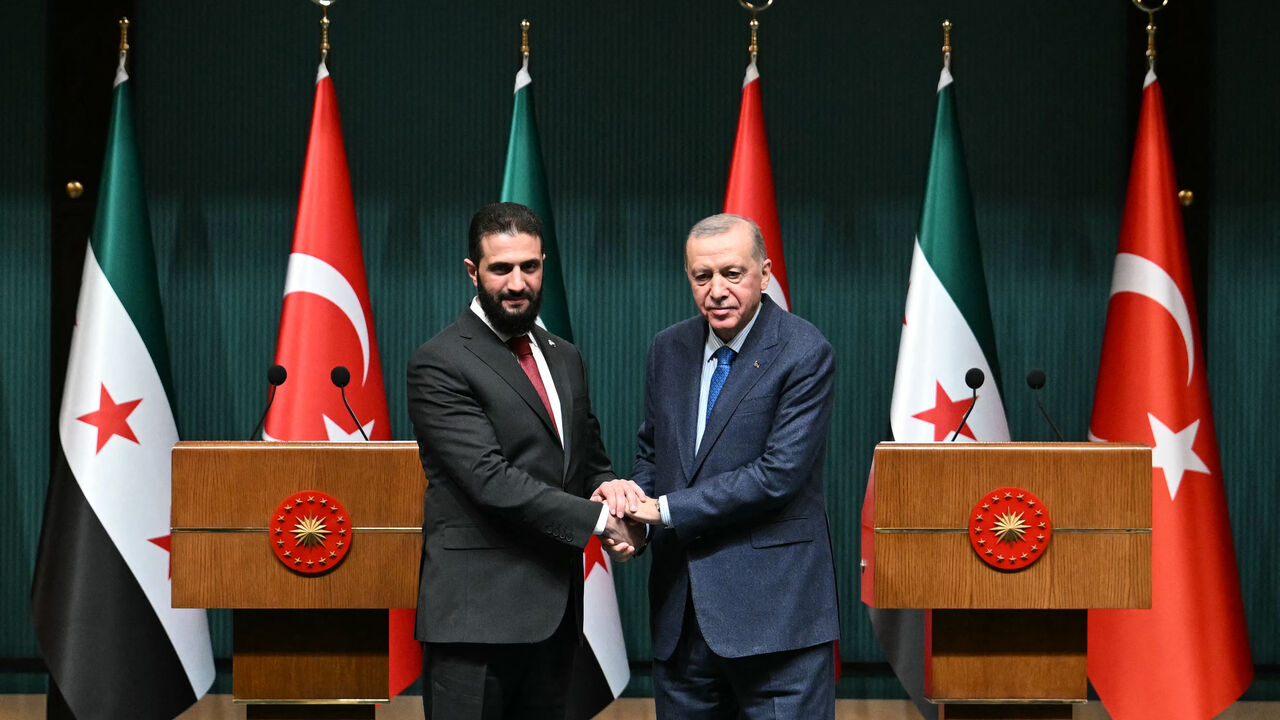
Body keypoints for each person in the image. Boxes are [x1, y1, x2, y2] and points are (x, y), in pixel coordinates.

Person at [596, 213, 840, 719]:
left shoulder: (804, 350)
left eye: (733, 273)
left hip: (777, 619)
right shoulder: (668, 348)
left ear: (765, 273)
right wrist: (633, 524)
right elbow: (653, 455)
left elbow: (779, 475)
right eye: (702, 276)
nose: (717, 290)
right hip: (681, 619)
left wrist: (659, 511)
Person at [407, 202, 642, 720]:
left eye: (530, 267)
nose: (518, 283)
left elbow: (588, 462)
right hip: (476, 625)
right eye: (501, 269)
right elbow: (490, 479)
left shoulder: (564, 355)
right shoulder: (440, 361)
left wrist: (613, 491)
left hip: (556, 618)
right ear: (473, 271)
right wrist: (603, 522)